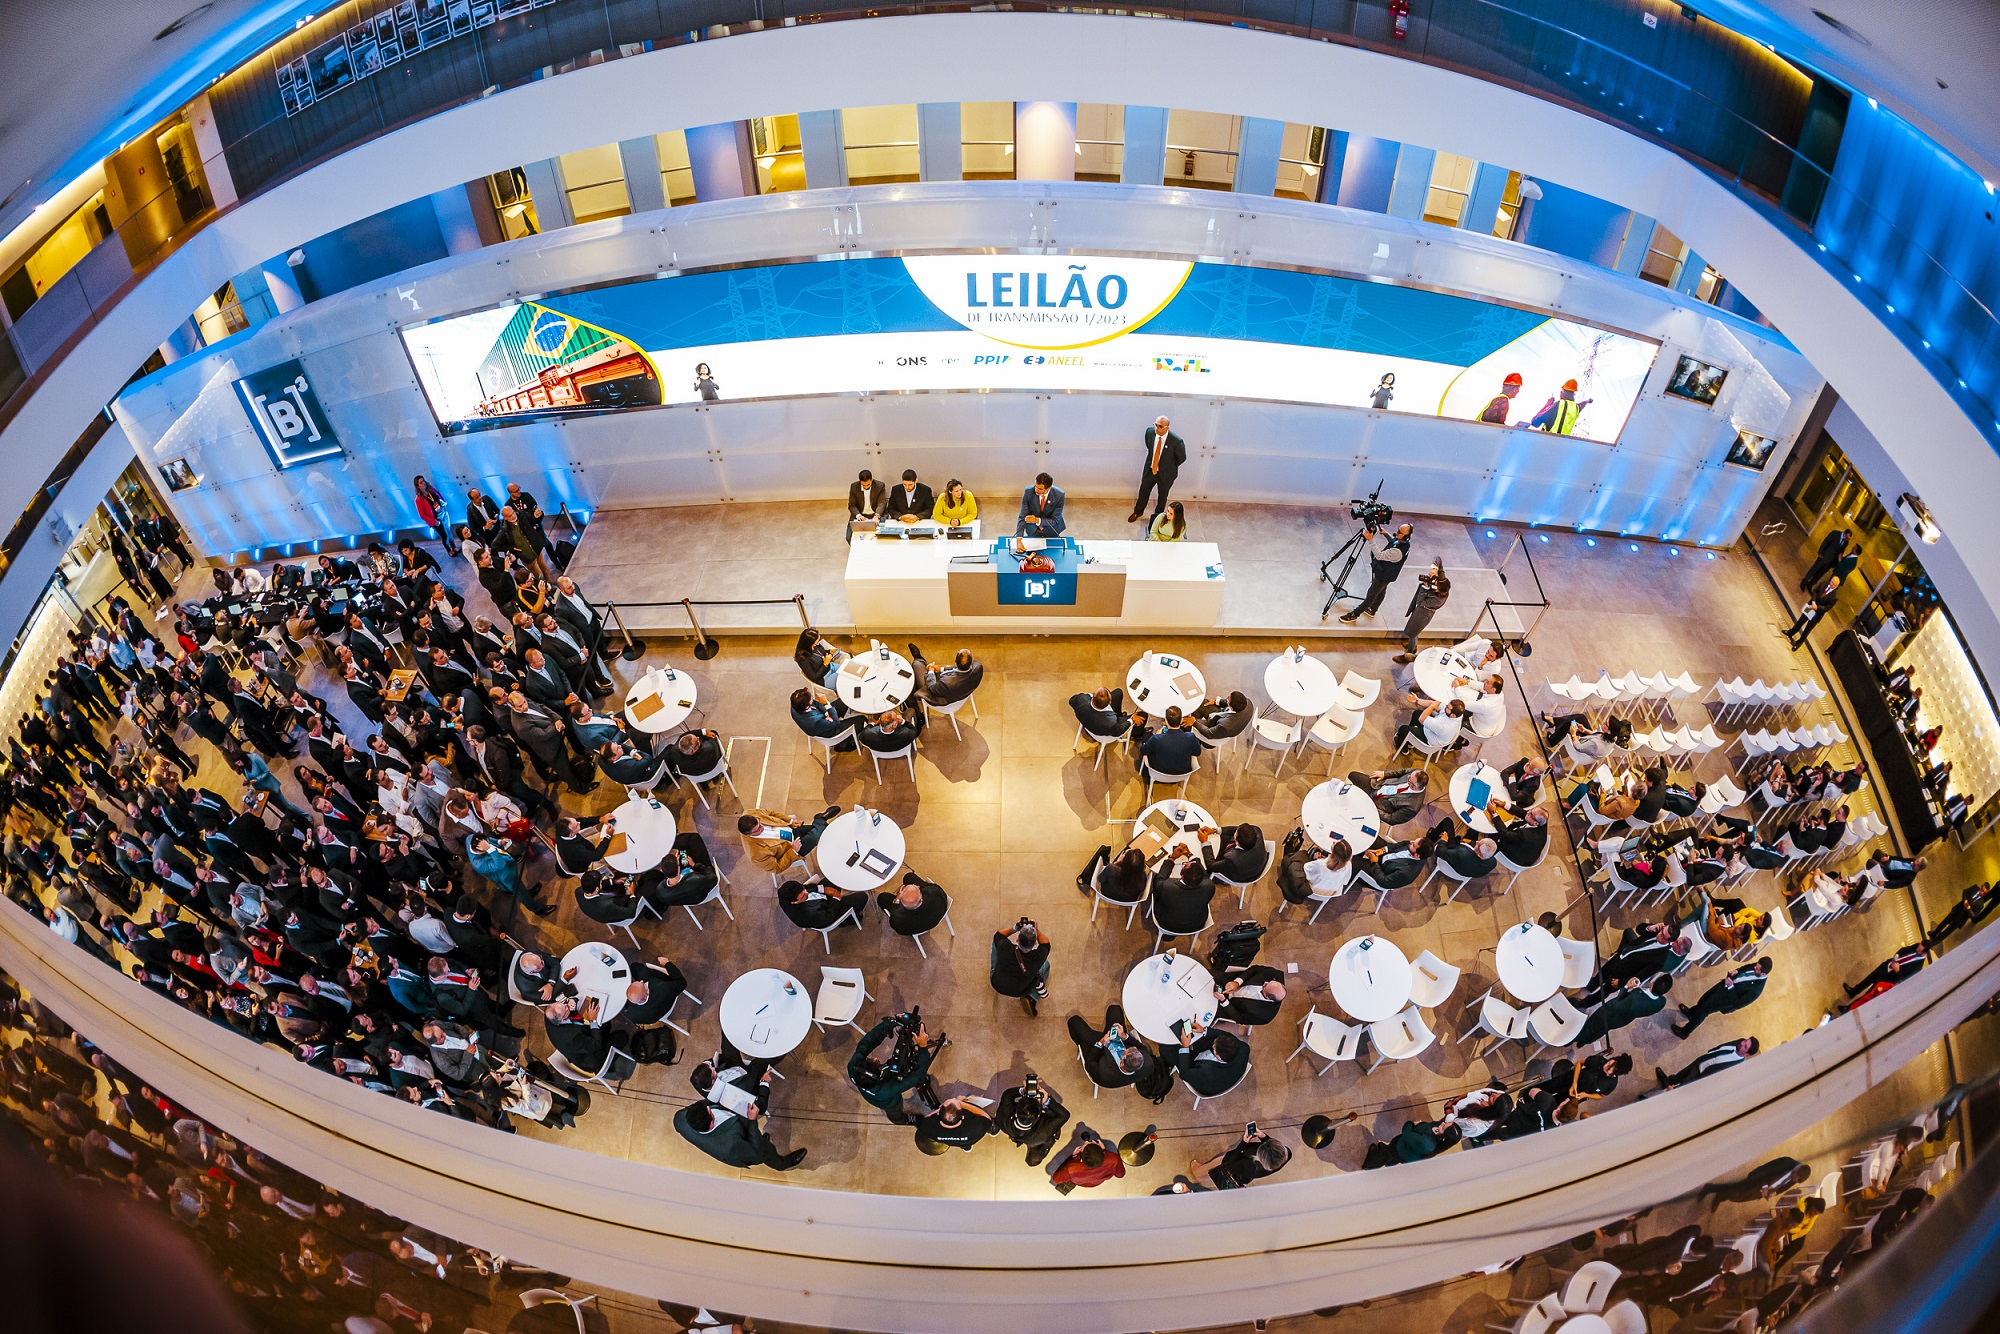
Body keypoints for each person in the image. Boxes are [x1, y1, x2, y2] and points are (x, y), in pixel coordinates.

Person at [847, 1011, 943, 1123]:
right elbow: (918, 1076)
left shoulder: (853, 1066)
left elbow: (867, 1042)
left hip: (873, 1089)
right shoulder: (886, 1090)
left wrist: (889, 1024)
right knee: (894, 1111)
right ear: (880, 1077)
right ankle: (901, 1120)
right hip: (888, 1103)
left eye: (869, 1060)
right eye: (878, 1066)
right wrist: (922, 1047)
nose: (875, 1059)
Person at [672, 1100, 807, 1171]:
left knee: (759, 1141)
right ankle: (783, 1164)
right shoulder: (730, 1145)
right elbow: (756, 1155)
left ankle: (760, 1140)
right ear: (711, 1122)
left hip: (741, 1132)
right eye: (709, 1110)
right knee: (765, 1151)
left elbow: (705, 1104)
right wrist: (752, 1121)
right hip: (748, 1145)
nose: (708, 1107)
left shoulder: (680, 1119)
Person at [1672, 959, 1772, 1039]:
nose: (1754, 968)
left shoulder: (1756, 991)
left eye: (1757, 969)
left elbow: (1738, 1004)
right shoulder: (1758, 966)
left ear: (1763, 973)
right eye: (1756, 966)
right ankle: (1691, 1013)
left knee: (1704, 1010)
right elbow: (1747, 967)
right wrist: (1737, 971)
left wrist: (1731, 987)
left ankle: (1685, 1032)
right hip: (1724, 985)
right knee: (1704, 999)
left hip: (1726, 1000)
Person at [1340, 521, 1412, 623]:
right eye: (1398, 529)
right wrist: (1386, 534)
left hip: (1384, 574)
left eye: (1400, 532)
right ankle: (1373, 609)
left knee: (1371, 595)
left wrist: (1370, 540)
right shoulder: (1404, 543)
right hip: (1388, 573)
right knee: (1381, 591)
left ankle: (1355, 614)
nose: (1397, 532)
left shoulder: (1397, 552)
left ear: (1406, 536)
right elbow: (1394, 542)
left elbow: (1379, 555)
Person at [1573, 974, 1673, 1047]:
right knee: (1602, 1030)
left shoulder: (1636, 995)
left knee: (1590, 1026)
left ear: (1654, 982)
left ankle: (1573, 1039)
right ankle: (1583, 1042)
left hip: (1610, 1011)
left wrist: (1626, 987)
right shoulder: (1662, 1002)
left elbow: (1620, 1000)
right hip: (1622, 1020)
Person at [994, 1073, 1070, 1167]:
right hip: (1035, 1138)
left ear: (1016, 1113)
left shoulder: (1001, 1118)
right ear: (1038, 1115)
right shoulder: (1044, 1133)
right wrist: (1047, 1101)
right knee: (1034, 1159)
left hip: (1024, 1136)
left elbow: (1007, 1095)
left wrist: (1024, 1090)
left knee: (1032, 1161)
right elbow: (1065, 1115)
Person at [1191, 1124, 1291, 1189]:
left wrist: (1243, 1143)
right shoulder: (1286, 1155)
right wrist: (1264, 1137)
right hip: (1244, 1175)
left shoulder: (1249, 1166)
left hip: (1235, 1166)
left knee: (1216, 1163)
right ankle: (1203, 1177)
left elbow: (1229, 1164)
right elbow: (1273, 1150)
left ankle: (1198, 1172)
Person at [1130, 414, 1186, 523]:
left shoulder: (1176, 441)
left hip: (1165, 474)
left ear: (1167, 428)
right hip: (1150, 470)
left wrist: (1168, 466)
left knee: (1162, 497)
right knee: (1143, 492)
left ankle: (1157, 518)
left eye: (1160, 426)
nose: (1156, 428)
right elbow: (1149, 447)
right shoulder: (1149, 432)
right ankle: (1138, 511)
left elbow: (1181, 458)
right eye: (1155, 425)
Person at [990, 917, 1051, 1014]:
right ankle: (1032, 997)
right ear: (1035, 943)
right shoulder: (1037, 958)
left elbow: (998, 935)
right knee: (1046, 964)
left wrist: (1015, 928)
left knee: (997, 942)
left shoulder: (1005, 947)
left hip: (997, 984)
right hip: (1020, 991)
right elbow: (1045, 943)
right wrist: (1036, 930)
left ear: (1017, 940)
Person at [1393, 561, 1451, 659]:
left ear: (1441, 590)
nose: (1434, 585)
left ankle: (1409, 653)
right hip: (1419, 610)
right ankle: (1413, 645)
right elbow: (1438, 559)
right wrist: (1435, 569)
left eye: (1436, 586)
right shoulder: (1442, 581)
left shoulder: (1438, 600)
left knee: (1413, 632)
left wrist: (1425, 587)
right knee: (1414, 631)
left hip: (1423, 614)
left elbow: (1420, 602)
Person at [1657, 1036, 1758, 1089]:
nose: (1742, 1043)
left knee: (1678, 1090)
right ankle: (1667, 1081)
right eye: (1745, 1041)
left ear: (1747, 1054)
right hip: (1701, 1061)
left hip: (1699, 1076)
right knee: (1680, 1075)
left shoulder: (1735, 1068)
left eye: (1745, 1046)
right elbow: (1720, 1047)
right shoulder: (1740, 1041)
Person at [1699, 1157, 1809, 1205]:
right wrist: (1764, 1187)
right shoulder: (1786, 1163)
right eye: (1796, 1178)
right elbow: (1765, 1171)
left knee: (1740, 1197)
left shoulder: (1795, 1178)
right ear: (1797, 1170)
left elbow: (1782, 1188)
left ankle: (1720, 1197)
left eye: (1797, 1181)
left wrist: (1774, 1193)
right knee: (1734, 1189)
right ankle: (1710, 1188)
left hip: (1763, 1192)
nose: (1794, 1181)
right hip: (1757, 1180)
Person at [877, 871, 950, 940]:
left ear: (902, 904)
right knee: (909, 877)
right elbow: (933, 887)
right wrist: (917, 888)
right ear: (921, 899)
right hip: (937, 915)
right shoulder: (934, 893)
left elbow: (899, 930)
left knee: (882, 898)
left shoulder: (898, 919)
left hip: (915, 928)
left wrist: (897, 899)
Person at [1137, 705, 1205, 779]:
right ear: (1181, 720)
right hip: (1181, 775)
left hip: (1157, 773)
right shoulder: (1191, 737)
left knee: (1147, 736)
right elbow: (1197, 753)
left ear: (1166, 721)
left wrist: (1157, 735)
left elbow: (1143, 751)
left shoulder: (1156, 739)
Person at [1050, 1128, 1126, 1193]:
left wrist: (1072, 1156)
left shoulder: (1071, 1168)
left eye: (1085, 1145)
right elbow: (1120, 1175)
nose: (1086, 1142)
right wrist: (1104, 1150)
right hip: (1097, 1182)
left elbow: (1056, 1179)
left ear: (1081, 1158)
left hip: (1082, 1182)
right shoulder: (1113, 1159)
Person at [1925, 881, 1996, 951]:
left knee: (1947, 931)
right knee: (1945, 921)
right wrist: (1965, 900)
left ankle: (1934, 942)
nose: (1981, 892)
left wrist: (1969, 909)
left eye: (1984, 892)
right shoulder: (1975, 888)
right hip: (1957, 909)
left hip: (1961, 918)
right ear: (1981, 886)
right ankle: (1934, 933)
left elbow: (1975, 915)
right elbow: (1965, 891)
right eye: (1982, 890)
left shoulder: (1981, 904)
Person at [908, 643, 983, 708]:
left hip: (940, 696)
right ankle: (919, 662)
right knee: (918, 675)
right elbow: (960, 668)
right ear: (971, 662)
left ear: (955, 660)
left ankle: (918, 659)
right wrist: (941, 669)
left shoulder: (947, 683)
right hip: (959, 688)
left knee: (917, 665)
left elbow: (932, 688)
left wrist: (931, 671)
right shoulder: (978, 667)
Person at [915, 1097, 994, 1153]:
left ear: (938, 1113)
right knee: (966, 1143)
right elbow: (987, 1118)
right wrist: (962, 1104)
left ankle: (966, 1148)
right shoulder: (976, 1128)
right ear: (962, 1117)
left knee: (962, 1144)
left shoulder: (927, 1127)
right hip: (969, 1138)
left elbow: (927, 1118)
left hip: (953, 1142)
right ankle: (967, 1147)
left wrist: (939, 1109)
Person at [1785, 570, 1841, 649]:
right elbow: (1815, 591)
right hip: (1810, 606)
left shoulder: (1834, 597)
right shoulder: (1824, 583)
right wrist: (1813, 602)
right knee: (1801, 621)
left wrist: (1817, 607)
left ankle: (1798, 643)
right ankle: (1791, 632)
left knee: (1807, 629)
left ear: (1836, 586)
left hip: (1817, 614)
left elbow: (1827, 608)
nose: (1831, 584)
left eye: (1834, 584)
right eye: (1831, 581)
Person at [1392, 697, 1465, 753]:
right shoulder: (1458, 715)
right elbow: (1435, 703)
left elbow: (1422, 719)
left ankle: (1403, 749)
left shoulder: (1445, 726)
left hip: (1428, 741)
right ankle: (1409, 740)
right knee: (1417, 713)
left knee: (1403, 729)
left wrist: (1432, 707)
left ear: (1453, 715)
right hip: (1432, 732)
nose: (1445, 706)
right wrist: (1417, 700)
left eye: (1448, 707)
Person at [411, 475, 457, 554]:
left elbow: (440, 497)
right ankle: (449, 550)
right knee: (445, 535)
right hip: (436, 519)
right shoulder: (418, 500)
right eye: (421, 483)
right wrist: (433, 521)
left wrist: (444, 506)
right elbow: (422, 515)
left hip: (443, 513)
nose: (424, 483)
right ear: (417, 486)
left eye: (423, 481)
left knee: (449, 531)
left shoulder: (431, 490)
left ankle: (454, 547)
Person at [1801, 527, 1852, 592]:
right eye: (1846, 537)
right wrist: (1820, 552)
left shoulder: (1846, 543)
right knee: (1814, 569)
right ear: (1844, 533)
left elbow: (1841, 552)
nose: (1846, 539)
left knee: (1820, 574)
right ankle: (1804, 581)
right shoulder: (1835, 533)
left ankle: (1810, 584)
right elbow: (1826, 541)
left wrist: (1835, 562)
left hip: (1830, 562)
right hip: (1824, 556)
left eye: (1848, 539)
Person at [1016, 472, 1066, 537]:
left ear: (1048, 488)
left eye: (1040, 489)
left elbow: (1055, 519)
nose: (1036, 490)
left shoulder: (1059, 495)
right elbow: (1022, 516)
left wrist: (1036, 520)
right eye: (1036, 487)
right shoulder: (1028, 492)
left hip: (1052, 529)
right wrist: (1019, 537)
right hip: (1033, 529)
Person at [845, 469, 886, 543]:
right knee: (849, 537)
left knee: (880, 538)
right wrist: (858, 515)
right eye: (863, 485)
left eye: (868, 485)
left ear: (872, 479)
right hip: (860, 514)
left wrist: (876, 516)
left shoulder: (880, 486)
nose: (866, 487)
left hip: (875, 514)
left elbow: (882, 503)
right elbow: (852, 505)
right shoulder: (854, 487)